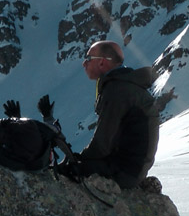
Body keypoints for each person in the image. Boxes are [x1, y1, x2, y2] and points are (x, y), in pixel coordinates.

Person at [54, 40, 159, 188]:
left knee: (63, 173)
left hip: (124, 172)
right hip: (133, 169)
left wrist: (77, 161)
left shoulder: (117, 91)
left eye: (88, 59)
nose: (84, 63)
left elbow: (102, 145)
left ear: (102, 63)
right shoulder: (126, 85)